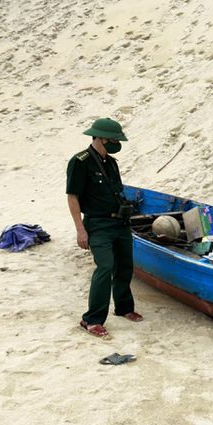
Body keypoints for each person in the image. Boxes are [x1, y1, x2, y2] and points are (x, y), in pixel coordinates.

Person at [66, 117, 142, 338]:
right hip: (98, 224)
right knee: (105, 267)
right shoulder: (80, 162)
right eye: (113, 139)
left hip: (120, 223)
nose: (116, 143)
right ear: (99, 137)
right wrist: (80, 230)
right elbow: (73, 197)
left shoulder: (111, 163)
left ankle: (124, 307)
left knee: (125, 265)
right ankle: (91, 319)